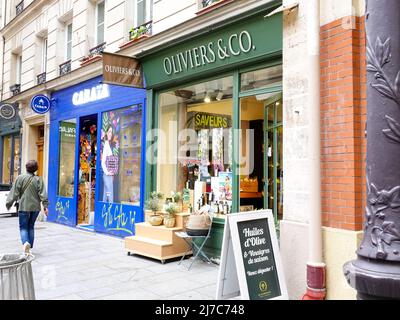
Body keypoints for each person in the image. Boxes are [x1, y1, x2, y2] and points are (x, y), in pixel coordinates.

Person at [6, 160, 49, 254]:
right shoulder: (39, 179)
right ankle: (30, 247)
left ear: (26, 168)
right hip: (35, 207)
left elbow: (14, 192)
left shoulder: (20, 178)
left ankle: (26, 243)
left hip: (24, 206)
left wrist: (9, 203)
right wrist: (45, 207)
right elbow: (43, 194)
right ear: (35, 169)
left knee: (23, 228)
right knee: (31, 226)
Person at [101, 126, 115, 202]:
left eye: (111, 132)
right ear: (106, 132)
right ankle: (110, 209)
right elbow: (103, 162)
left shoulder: (108, 144)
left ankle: (104, 208)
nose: (110, 134)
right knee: (109, 193)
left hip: (109, 174)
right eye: (109, 131)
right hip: (107, 174)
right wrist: (107, 172)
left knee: (106, 193)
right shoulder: (106, 145)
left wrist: (111, 173)